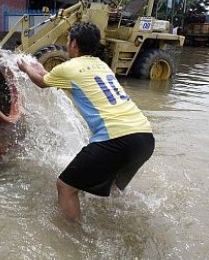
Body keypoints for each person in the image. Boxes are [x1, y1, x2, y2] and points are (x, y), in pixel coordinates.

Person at [17, 22, 155, 222]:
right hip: (144, 138)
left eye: (68, 40)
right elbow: (46, 75)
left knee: (64, 186)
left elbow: (41, 81)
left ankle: (74, 240)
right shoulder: (102, 65)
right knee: (114, 187)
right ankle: (123, 219)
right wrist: (36, 66)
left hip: (116, 139)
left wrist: (25, 68)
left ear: (74, 44)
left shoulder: (69, 67)